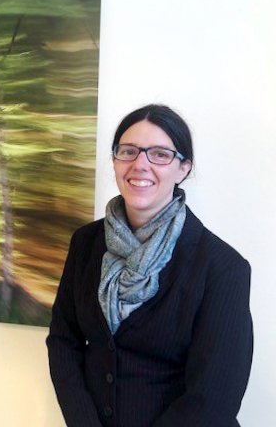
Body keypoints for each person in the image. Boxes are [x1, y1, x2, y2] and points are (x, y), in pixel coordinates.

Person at [46, 104, 253, 427]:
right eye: (128, 151)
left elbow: (215, 397)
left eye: (159, 154)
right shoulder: (86, 243)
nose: (140, 164)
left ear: (184, 167)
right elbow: (63, 341)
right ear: (115, 161)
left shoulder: (222, 267)